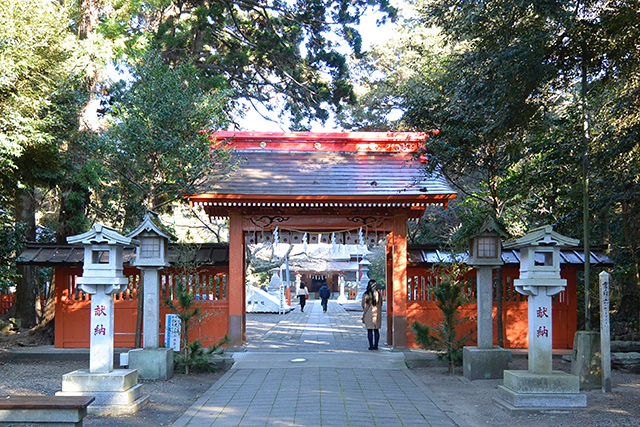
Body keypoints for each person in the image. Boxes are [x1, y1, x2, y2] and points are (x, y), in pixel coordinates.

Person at [362, 279, 382, 350]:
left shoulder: (366, 294)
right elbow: (381, 304)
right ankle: (376, 345)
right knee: (376, 330)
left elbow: (363, 305)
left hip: (368, 314)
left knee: (369, 330)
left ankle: (371, 346)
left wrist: (365, 310)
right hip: (376, 314)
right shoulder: (378, 294)